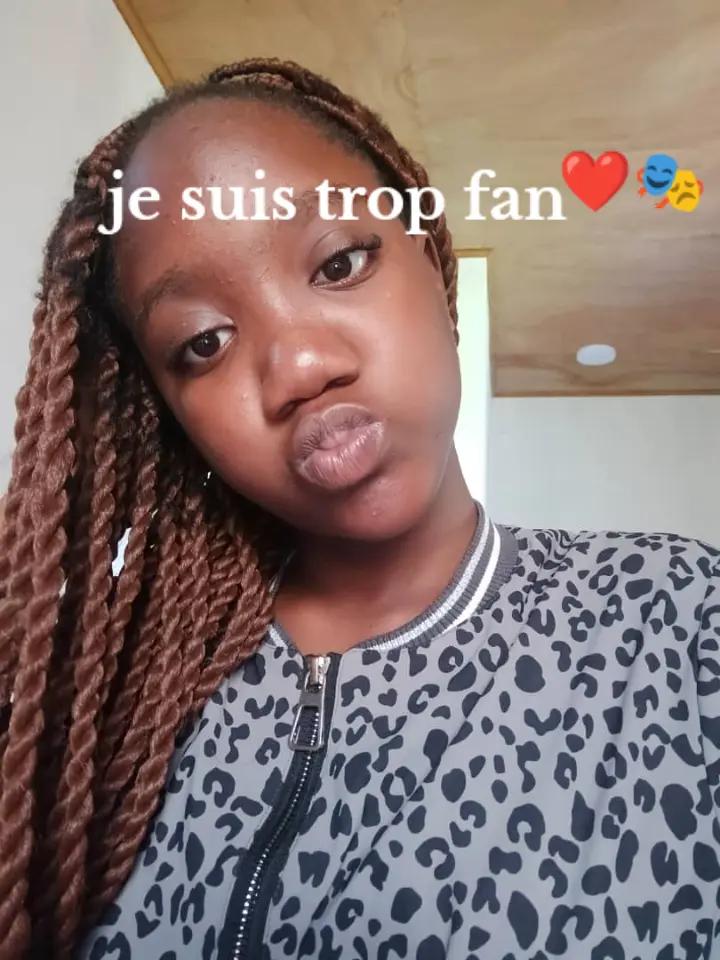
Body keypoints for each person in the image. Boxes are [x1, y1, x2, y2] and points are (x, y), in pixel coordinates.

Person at [0, 57, 717, 960]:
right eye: (204, 342)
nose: (299, 367)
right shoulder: (94, 700)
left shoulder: (679, 618)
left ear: (432, 257)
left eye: (339, 263)